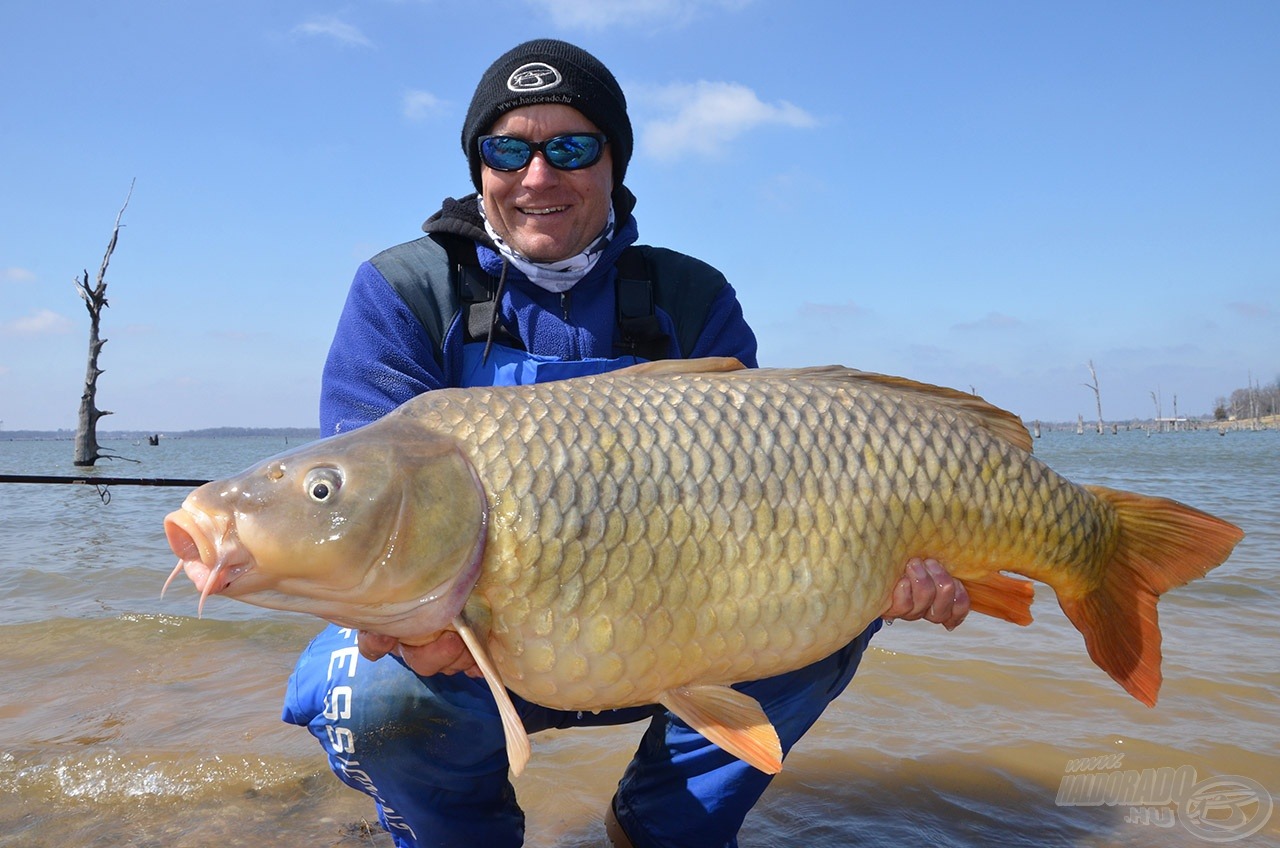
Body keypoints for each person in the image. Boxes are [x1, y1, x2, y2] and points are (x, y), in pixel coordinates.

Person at [282, 38, 970, 848]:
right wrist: (404, 629)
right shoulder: (403, 291)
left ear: (615, 163)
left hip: (665, 629)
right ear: (479, 168)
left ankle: (659, 827)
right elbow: (362, 512)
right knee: (366, 697)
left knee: (831, 607)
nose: (538, 176)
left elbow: (767, 509)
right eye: (508, 149)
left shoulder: (691, 294)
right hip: (474, 641)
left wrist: (881, 568)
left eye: (571, 146)